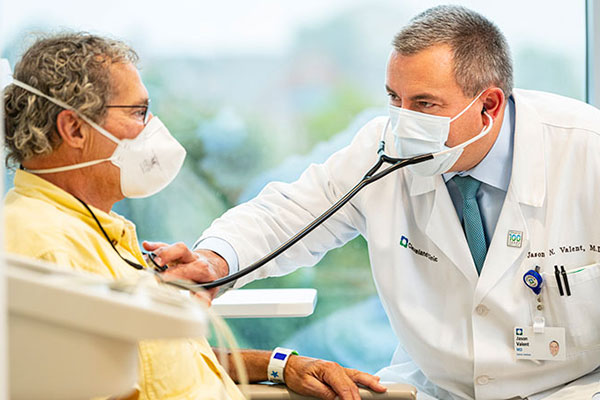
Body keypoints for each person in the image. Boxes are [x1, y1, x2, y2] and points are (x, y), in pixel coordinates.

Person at [148, 5, 600, 400]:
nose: (403, 122)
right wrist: (215, 261)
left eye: (424, 103)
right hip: (434, 389)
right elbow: (289, 214)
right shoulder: (380, 152)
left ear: (489, 105)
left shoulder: (586, 152)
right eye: (394, 99)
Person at [2, 32, 387, 400]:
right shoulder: (43, 249)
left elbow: (153, 362)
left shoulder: (97, 232)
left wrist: (278, 365)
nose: (153, 129)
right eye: (138, 112)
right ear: (73, 127)